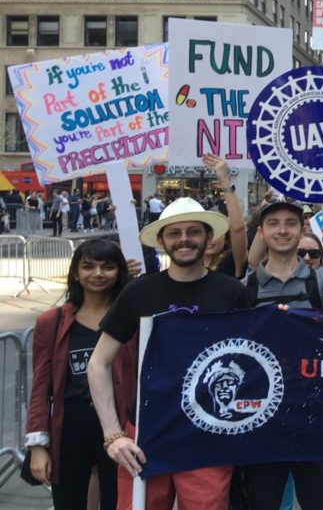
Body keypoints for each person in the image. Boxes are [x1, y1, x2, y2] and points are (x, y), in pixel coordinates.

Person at [87, 197, 248, 510]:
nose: (184, 239)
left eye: (193, 231)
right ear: (161, 240)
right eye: (174, 233)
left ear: (209, 237)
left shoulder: (231, 292)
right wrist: (113, 435)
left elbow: (248, 362)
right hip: (147, 429)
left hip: (206, 430)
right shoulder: (139, 291)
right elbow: (98, 363)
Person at [243, 200, 323, 510]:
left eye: (290, 223)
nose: (282, 230)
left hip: (315, 416)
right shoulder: (246, 288)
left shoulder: (320, 281)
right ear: (262, 232)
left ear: (302, 229)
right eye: (274, 223)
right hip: (263, 419)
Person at [26, 240, 134, 509]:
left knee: (119, 501)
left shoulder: (134, 320)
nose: (98, 274)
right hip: (70, 426)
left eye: (108, 267)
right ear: (75, 272)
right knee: (69, 502)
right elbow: (41, 386)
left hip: (120, 424)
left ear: (120, 272)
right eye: (88, 266)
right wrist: (38, 445)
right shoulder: (51, 322)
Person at [201, 154, 248, 279]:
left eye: (215, 233)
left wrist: (225, 182)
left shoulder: (232, 262)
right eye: (203, 232)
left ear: (227, 238)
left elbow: (238, 228)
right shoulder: (187, 265)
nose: (209, 239)